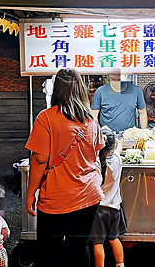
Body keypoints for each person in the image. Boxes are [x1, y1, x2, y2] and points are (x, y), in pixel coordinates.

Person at [25, 68, 105, 267]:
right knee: (79, 246)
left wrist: (30, 193)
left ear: (57, 90)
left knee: (49, 248)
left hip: (56, 197)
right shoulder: (91, 120)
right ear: (81, 89)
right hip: (88, 195)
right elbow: (96, 155)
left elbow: (39, 160)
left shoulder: (46, 118)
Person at [90, 126, 126, 267]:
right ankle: (120, 265)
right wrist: (119, 141)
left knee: (98, 242)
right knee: (114, 238)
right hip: (114, 207)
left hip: (99, 210)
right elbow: (118, 149)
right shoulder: (118, 159)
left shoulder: (96, 163)